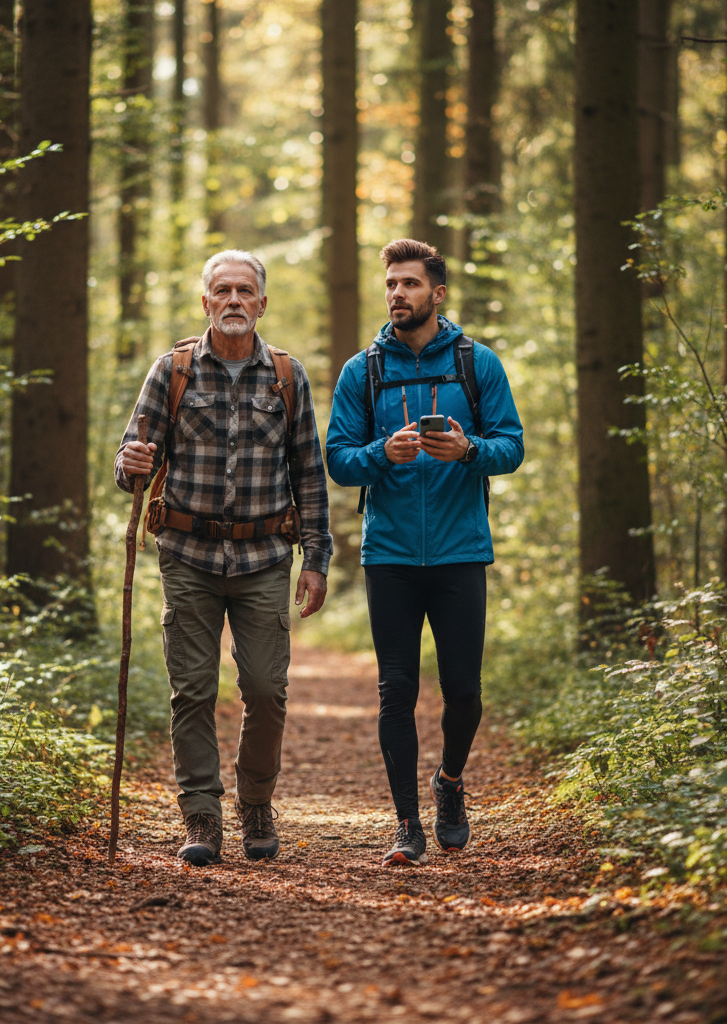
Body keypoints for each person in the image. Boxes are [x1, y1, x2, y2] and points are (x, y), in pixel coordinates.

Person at [115, 250, 332, 866]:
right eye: (222, 291)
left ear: (262, 303)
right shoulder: (172, 371)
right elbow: (133, 458)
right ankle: (202, 817)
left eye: (245, 291)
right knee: (193, 691)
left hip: (265, 557)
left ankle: (256, 803)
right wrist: (128, 464)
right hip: (187, 556)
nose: (233, 300)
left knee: (266, 688)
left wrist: (315, 557)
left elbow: (309, 475)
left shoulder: (287, 377)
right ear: (205, 301)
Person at [325, 239, 524, 867]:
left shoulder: (477, 363)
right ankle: (406, 824)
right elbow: (338, 460)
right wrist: (384, 454)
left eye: (409, 284)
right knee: (396, 690)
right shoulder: (364, 371)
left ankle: (450, 783)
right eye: (390, 284)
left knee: (463, 691)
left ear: (436, 294)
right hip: (389, 555)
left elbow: (512, 447)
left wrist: (468, 451)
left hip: (461, 549)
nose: (397, 295)